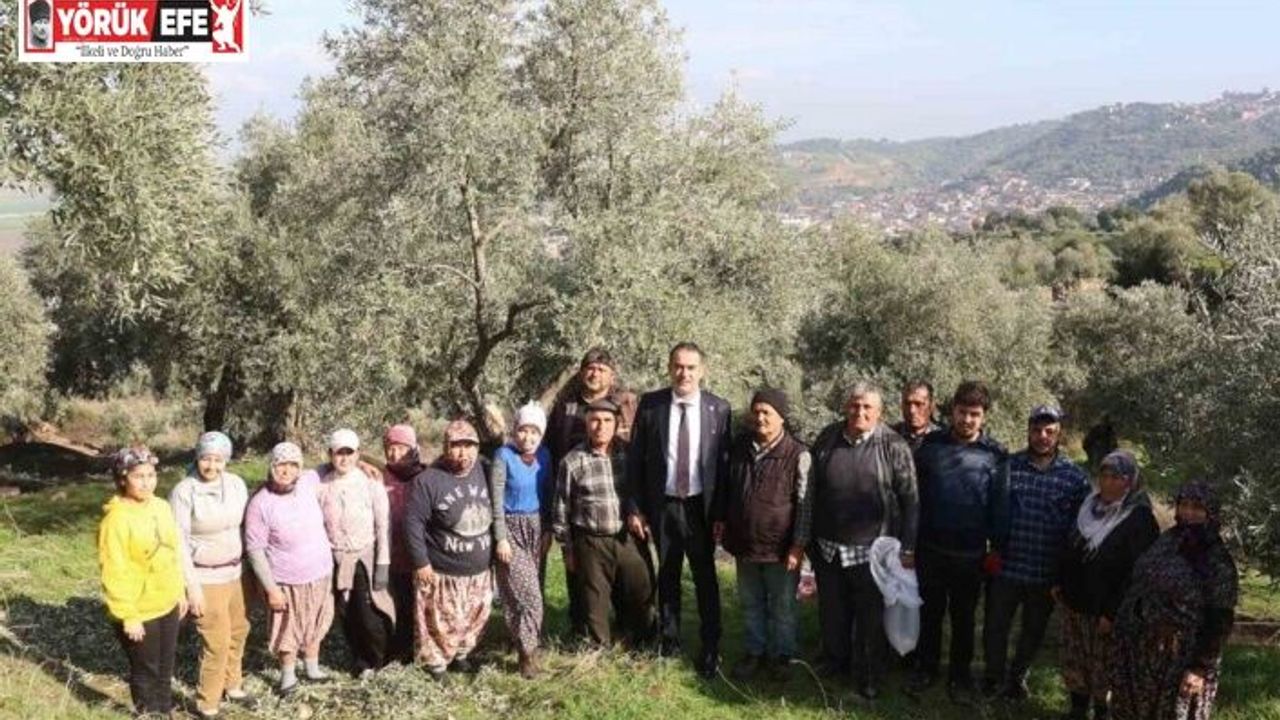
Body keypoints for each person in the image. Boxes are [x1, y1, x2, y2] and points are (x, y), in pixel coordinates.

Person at [807, 382, 918, 699]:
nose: (860, 412)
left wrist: (908, 547)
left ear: (879, 413)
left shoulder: (893, 445)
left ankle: (870, 675)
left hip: (873, 552)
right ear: (846, 407)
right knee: (833, 612)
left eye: (868, 407)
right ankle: (835, 661)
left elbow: (911, 501)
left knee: (870, 619)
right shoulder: (828, 438)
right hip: (828, 548)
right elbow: (812, 492)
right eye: (855, 405)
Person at [629, 341, 731, 679]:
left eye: (690, 367)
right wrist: (636, 507)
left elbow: (724, 467)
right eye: (678, 366)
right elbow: (635, 461)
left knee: (705, 578)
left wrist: (720, 515)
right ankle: (669, 639)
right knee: (667, 574)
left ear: (702, 370)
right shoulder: (651, 405)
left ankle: (711, 644)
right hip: (664, 506)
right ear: (669, 367)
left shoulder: (719, 409)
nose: (683, 373)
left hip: (700, 509)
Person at [983, 405, 1090, 700]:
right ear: (1028, 430)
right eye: (1037, 430)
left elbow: (1082, 527)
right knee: (996, 626)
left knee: (1033, 631)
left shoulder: (1074, 477)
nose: (1042, 437)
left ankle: (1017, 679)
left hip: (1045, 572)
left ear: (1059, 435)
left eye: (1049, 432)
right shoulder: (1008, 467)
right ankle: (993, 678)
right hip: (1007, 566)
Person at [910, 380, 1007, 702]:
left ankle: (960, 677)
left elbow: (1000, 505)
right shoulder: (930, 446)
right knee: (930, 614)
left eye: (975, 414)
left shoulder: (995, 455)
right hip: (931, 549)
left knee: (964, 620)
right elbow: (915, 499)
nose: (967, 420)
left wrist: (997, 549)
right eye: (963, 412)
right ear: (951, 411)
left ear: (984, 416)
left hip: (971, 555)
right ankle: (926, 668)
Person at [1111, 481, 1238, 720]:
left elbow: (1220, 618)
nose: (1188, 512)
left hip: (1180, 657)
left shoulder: (1216, 559)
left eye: (1197, 507)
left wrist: (1199, 667)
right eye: (1184, 505)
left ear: (1210, 512)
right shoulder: (1168, 540)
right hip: (1143, 649)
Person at [1057, 450, 1159, 720]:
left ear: (1130, 481)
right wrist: (1060, 582)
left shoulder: (1139, 519)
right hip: (1075, 602)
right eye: (1104, 475)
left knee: (1104, 666)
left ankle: (1103, 713)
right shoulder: (1088, 506)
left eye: (1117, 477)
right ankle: (1077, 708)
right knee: (1076, 659)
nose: (1109, 482)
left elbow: (1138, 574)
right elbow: (1070, 547)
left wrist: (1113, 613)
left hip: (1107, 610)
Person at [719, 389, 813, 681]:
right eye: (756, 411)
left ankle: (783, 656)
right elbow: (727, 489)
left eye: (767, 413)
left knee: (783, 607)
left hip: (781, 548)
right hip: (745, 544)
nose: (760, 418)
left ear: (781, 417)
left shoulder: (798, 454)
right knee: (751, 603)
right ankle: (754, 652)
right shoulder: (738, 447)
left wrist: (798, 545)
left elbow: (805, 505)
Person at [545, 347, 638, 636]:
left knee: (627, 573)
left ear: (611, 375)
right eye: (590, 367)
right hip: (575, 500)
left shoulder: (627, 403)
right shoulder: (566, 405)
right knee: (578, 573)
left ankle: (625, 626)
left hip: (620, 500)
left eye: (601, 368)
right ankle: (581, 626)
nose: (594, 373)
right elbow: (550, 448)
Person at [552, 398, 653, 647]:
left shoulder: (629, 454)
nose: (601, 426)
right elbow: (561, 507)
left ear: (616, 423)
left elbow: (646, 489)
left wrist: (644, 515)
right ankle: (599, 651)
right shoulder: (572, 461)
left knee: (641, 590)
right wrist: (567, 549)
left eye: (607, 420)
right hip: (591, 542)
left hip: (627, 537)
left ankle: (643, 642)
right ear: (586, 424)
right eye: (595, 420)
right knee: (594, 603)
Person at [98, 445, 187, 717]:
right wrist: (128, 615)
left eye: (151, 475)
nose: (146, 482)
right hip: (139, 610)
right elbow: (114, 570)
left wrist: (180, 591)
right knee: (145, 671)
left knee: (165, 668)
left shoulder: (161, 506)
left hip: (167, 601)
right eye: (138, 476)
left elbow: (173, 552)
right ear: (123, 478)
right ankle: (149, 713)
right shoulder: (116, 519)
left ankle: (164, 712)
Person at [169, 431, 251, 717]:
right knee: (216, 641)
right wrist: (191, 588)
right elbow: (177, 542)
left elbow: (244, 526)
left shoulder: (237, 485)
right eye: (206, 458)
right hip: (205, 577)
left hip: (235, 572)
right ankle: (208, 703)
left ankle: (233, 684)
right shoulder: (184, 491)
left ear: (226, 460)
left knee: (239, 630)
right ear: (197, 458)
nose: (211, 466)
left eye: (218, 460)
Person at [405, 419, 495, 680]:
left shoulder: (486, 470)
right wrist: (421, 562)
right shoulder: (428, 481)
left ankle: (460, 656)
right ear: (445, 448)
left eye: (469, 446)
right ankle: (436, 664)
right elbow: (413, 523)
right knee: (440, 623)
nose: (462, 453)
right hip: (443, 571)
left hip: (478, 570)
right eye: (456, 446)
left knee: (474, 617)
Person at [244, 442, 335, 697]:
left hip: (319, 572)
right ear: (272, 466)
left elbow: (335, 462)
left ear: (300, 468)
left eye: (293, 465)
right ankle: (288, 677)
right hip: (286, 580)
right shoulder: (261, 504)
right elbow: (255, 550)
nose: (286, 470)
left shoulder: (307, 482)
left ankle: (312, 668)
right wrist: (271, 589)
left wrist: (367, 464)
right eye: (281, 464)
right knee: (288, 628)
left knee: (316, 621)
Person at [313, 429, 396, 678]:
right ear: (330, 454)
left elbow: (384, 525)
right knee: (346, 613)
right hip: (335, 559)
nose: (344, 458)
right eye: (339, 453)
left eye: (350, 452)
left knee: (368, 612)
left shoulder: (370, 483)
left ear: (358, 454)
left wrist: (383, 562)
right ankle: (359, 659)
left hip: (364, 558)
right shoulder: (323, 485)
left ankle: (377, 660)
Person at [490, 402, 553, 678]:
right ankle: (528, 655)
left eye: (534, 432)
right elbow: (496, 499)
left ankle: (521, 642)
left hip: (536, 528)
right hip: (511, 529)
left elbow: (548, 494)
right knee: (530, 597)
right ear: (515, 430)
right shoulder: (503, 455)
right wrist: (500, 538)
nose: (528, 438)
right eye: (523, 431)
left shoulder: (545, 456)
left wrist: (549, 530)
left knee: (523, 594)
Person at [381, 423, 427, 663]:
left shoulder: (425, 476)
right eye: (390, 447)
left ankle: (419, 649)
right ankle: (398, 649)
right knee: (395, 602)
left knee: (417, 604)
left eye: (401, 448)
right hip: (390, 554)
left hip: (418, 555)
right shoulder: (379, 476)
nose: (394, 453)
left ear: (413, 449)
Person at [892, 380, 941, 451]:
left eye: (918, 404)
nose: (912, 410)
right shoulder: (888, 438)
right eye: (907, 404)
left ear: (931, 406)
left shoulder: (942, 440)